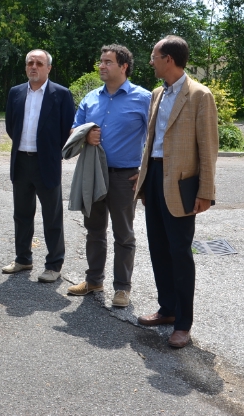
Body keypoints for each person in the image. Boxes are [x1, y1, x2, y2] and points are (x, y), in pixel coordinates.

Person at [135, 35, 218, 349]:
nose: (151, 62)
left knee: (180, 253)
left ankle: (183, 323)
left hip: (181, 184)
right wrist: (144, 180)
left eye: (154, 56)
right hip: (155, 177)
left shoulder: (199, 95)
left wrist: (205, 191)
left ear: (168, 59)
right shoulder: (158, 93)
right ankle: (167, 309)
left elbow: (208, 148)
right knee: (158, 247)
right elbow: (152, 141)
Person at [66, 45, 151, 307]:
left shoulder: (144, 98)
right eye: (101, 61)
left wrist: (145, 172)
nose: (101, 66)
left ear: (124, 66)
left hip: (125, 178)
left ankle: (122, 288)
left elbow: (158, 138)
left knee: (123, 234)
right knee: (94, 230)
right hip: (93, 173)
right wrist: (85, 135)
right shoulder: (91, 97)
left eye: (108, 62)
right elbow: (73, 130)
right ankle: (94, 280)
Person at [3, 49, 75, 283]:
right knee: (21, 214)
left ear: (48, 68)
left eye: (39, 63)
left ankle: (54, 264)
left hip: (47, 162)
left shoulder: (61, 94)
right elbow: (11, 126)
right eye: (30, 63)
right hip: (21, 161)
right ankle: (23, 259)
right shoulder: (15, 93)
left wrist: (52, 152)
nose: (34, 66)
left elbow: (67, 129)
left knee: (52, 216)